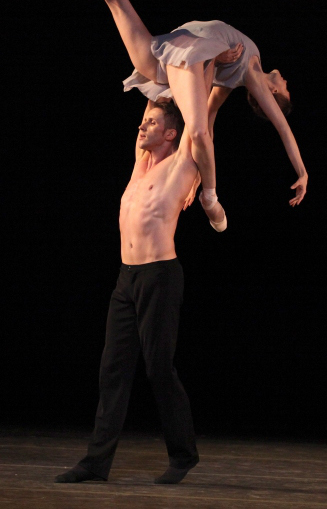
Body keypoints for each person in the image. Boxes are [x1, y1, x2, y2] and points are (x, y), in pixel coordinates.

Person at [36, 0, 308, 235]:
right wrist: (198, 168)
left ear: (274, 94)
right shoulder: (231, 74)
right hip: (171, 52)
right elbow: (209, 119)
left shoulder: (251, 71)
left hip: (184, 56)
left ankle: (210, 197)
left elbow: (281, 127)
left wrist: (302, 172)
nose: (287, 82)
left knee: (197, 131)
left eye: (286, 90)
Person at [52, 94, 210, 485]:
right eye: (145, 121)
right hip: (126, 279)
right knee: (112, 369)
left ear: (171, 134)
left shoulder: (181, 164)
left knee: (158, 368)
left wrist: (201, 70)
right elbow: (151, 109)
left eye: (153, 123)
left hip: (159, 276)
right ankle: (95, 463)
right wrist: (160, 83)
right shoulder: (141, 163)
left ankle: (184, 454)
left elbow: (200, 118)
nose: (142, 126)